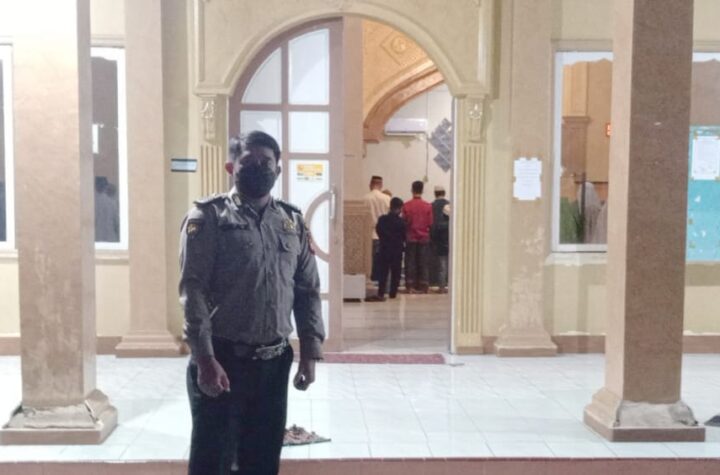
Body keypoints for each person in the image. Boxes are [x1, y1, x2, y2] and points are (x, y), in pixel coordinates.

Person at [179, 131, 325, 475]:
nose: (259, 168)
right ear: (231, 167)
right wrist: (205, 359)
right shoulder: (208, 217)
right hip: (223, 360)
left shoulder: (291, 221)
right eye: (248, 162)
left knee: (262, 460)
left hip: (273, 363)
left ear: (278, 169)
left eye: (266, 162)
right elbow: (193, 291)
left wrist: (309, 352)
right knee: (213, 460)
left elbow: (307, 290)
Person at [366, 197, 406, 302]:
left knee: (383, 271)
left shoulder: (382, 219)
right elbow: (404, 236)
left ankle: (381, 292)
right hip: (397, 249)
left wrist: (385, 239)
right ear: (399, 208)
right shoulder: (401, 222)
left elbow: (378, 231)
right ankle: (393, 292)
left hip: (384, 248)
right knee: (396, 272)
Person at [402, 180, 433, 293]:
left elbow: (404, 222)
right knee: (423, 262)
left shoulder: (406, 205)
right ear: (422, 190)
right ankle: (423, 285)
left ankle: (410, 285)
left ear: (412, 190)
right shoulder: (428, 206)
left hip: (410, 237)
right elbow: (430, 223)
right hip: (424, 237)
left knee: (410, 262)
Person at [363, 175, 391, 283]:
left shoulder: (365, 198)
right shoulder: (387, 199)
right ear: (381, 185)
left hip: (369, 234)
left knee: (370, 260)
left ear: (371, 184)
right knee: (383, 260)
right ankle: (382, 282)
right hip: (384, 235)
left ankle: (370, 280)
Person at [430, 186, 450, 293]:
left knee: (439, 264)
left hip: (436, 239)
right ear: (444, 192)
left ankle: (437, 283)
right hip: (449, 241)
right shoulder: (450, 204)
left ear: (435, 193)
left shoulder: (431, 205)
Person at [94, 176, 120, 242]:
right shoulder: (112, 203)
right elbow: (117, 223)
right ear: (106, 186)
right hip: (111, 239)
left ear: (95, 186)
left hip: (97, 239)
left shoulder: (91, 203)